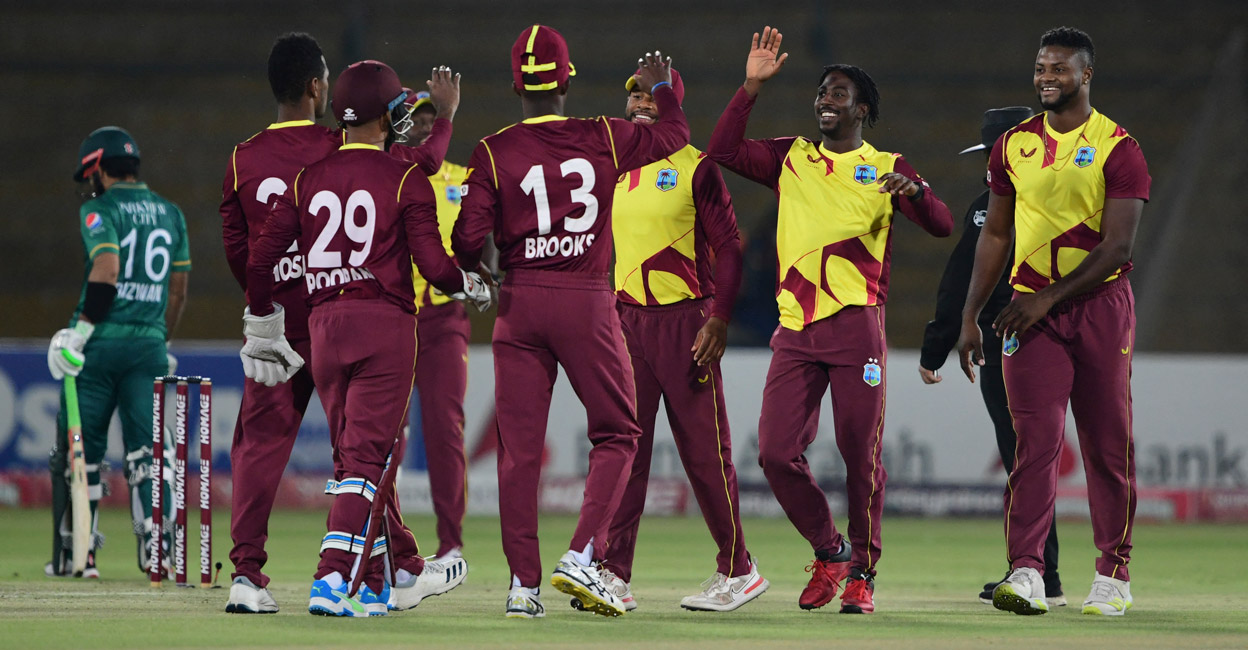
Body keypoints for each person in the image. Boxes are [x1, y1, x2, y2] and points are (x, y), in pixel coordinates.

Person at [707, 27, 953, 615]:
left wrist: (914, 193)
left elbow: (942, 224)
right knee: (773, 452)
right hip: (796, 330)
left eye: (838, 93)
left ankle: (864, 573)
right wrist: (749, 88)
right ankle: (831, 550)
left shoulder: (886, 165)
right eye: (822, 91)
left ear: (862, 108)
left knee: (857, 453)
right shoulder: (792, 157)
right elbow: (722, 149)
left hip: (856, 327)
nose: (825, 99)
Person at [219, 33, 463, 613]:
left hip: (281, 325)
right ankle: (381, 569)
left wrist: (262, 312)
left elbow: (239, 247)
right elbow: (420, 164)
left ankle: (248, 578)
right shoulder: (342, 143)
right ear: (316, 88)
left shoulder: (242, 158)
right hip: (346, 311)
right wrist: (444, 119)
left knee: (259, 446)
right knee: (362, 455)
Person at [451, 25, 689, 619]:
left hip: (520, 301)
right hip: (585, 298)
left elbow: (463, 237)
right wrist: (662, 89)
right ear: (567, 79)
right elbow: (675, 135)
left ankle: (521, 588)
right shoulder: (603, 135)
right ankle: (582, 554)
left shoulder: (491, 150)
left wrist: (483, 269)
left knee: (518, 454)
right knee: (618, 433)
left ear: (515, 85)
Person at [957, 26, 1150, 617]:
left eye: (1059, 69)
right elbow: (994, 233)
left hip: (1099, 310)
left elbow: (1117, 248)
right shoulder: (1012, 145)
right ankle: (1028, 572)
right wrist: (970, 316)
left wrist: (1047, 298)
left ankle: (1112, 574)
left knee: (1104, 444)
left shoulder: (1119, 146)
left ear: (1086, 75)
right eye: (1041, 67)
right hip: (1025, 312)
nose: (1046, 77)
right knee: (1032, 444)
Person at [601, 66, 767, 612]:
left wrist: (719, 318)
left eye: (653, 93)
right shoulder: (614, 168)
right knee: (627, 451)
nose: (640, 103)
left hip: (685, 322)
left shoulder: (695, 166)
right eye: (634, 96)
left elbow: (731, 247)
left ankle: (739, 569)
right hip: (627, 325)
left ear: (674, 102)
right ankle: (613, 572)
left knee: (704, 454)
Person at [918, 106, 1067, 607]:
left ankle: (1039, 573)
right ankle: (1046, 571)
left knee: (1022, 457)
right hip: (1072, 332)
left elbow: (959, 278)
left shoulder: (990, 207)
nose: (988, 163)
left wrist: (937, 346)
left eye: (990, 152)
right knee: (1037, 455)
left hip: (1013, 339)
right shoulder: (1062, 197)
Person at [46, 126, 189, 579]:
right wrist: (158, 340)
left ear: (99, 170)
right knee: (149, 454)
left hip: (100, 346)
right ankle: (156, 552)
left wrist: (81, 332)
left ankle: (77, 555)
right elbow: (178, 293)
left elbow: (106, 271)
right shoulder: (171, 213)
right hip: (148, 344)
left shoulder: (98, 208)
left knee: (79, 451)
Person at [402, 88, 472, 564]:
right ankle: (381, 534)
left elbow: (481, 234)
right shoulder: (391, 174)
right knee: (380, 432)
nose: (426, 125)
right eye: (416, 118)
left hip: (444, 320)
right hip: (392, 316)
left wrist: (483, 274)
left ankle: (450, 544)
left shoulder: (463, 178)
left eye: (432, 117)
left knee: (445, 429)